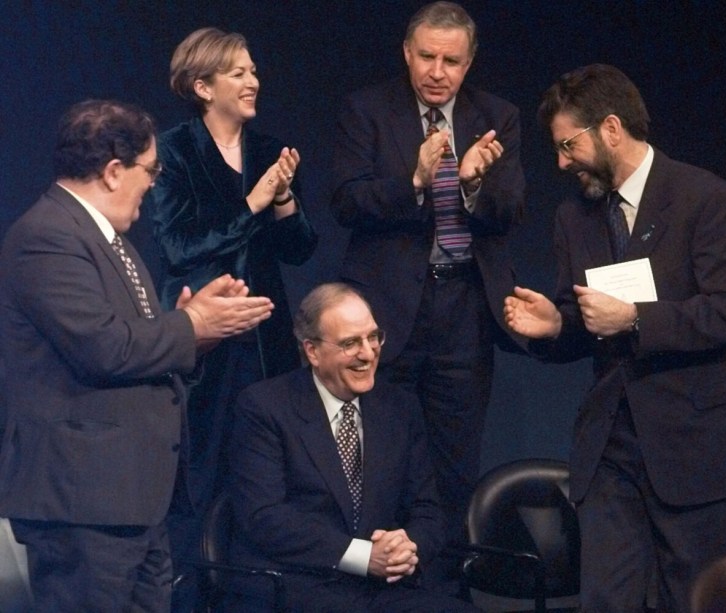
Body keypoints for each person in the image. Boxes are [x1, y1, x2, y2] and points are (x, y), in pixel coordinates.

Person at [0, 99, 273, 611]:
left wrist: (194, 334)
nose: (152, 184)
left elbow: (133, 345)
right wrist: (189, 325)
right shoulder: (47, 237)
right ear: (112, 171)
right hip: (85, 502)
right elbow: (105, 348)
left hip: (131, 500)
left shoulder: (110, 241)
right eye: (151, 170)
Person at [504, 63, 726, 612]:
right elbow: (586, 322)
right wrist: (556, 325)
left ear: (611, 128)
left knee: (692, 602)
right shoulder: (575, 217)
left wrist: (636, 319)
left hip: (696, 448)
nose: (561, 162)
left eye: (569, 145)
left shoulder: (707, 201)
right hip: (613, 448)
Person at [330, 1, 525, 569]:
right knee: (379, 454)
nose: (438, 72)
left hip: (464, 307)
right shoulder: (366, 110)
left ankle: (441, 586)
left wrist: (470, 187)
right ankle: (377, 577)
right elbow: (345, 201)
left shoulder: (497, 115)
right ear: (407, 54)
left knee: (455, 463)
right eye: (427, 57)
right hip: (387, 313)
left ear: (469, 63)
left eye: (452, 61)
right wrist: (413, 180)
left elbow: (510, 210)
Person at [146, 27, 318, 603]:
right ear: (202, 86)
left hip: (267, 343)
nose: (254, 81)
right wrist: (253, 204)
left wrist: (286, 198)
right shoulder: (173, 151)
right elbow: (178, 248)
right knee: (203, 483)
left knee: (266, 483)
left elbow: (298, 249)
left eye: (253, 70)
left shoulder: (268, 150)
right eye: (238, 72)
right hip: (206, 346)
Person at [224, 283, 479, 612]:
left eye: (374, 337)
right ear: (312, 351)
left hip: (381, 589)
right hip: (298, 585)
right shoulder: (265, 407)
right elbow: (265, 517)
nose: (368, 353)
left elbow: (428, 511)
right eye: (350, 343)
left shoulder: (399, 408)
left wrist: (407, 545)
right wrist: (362, 556)